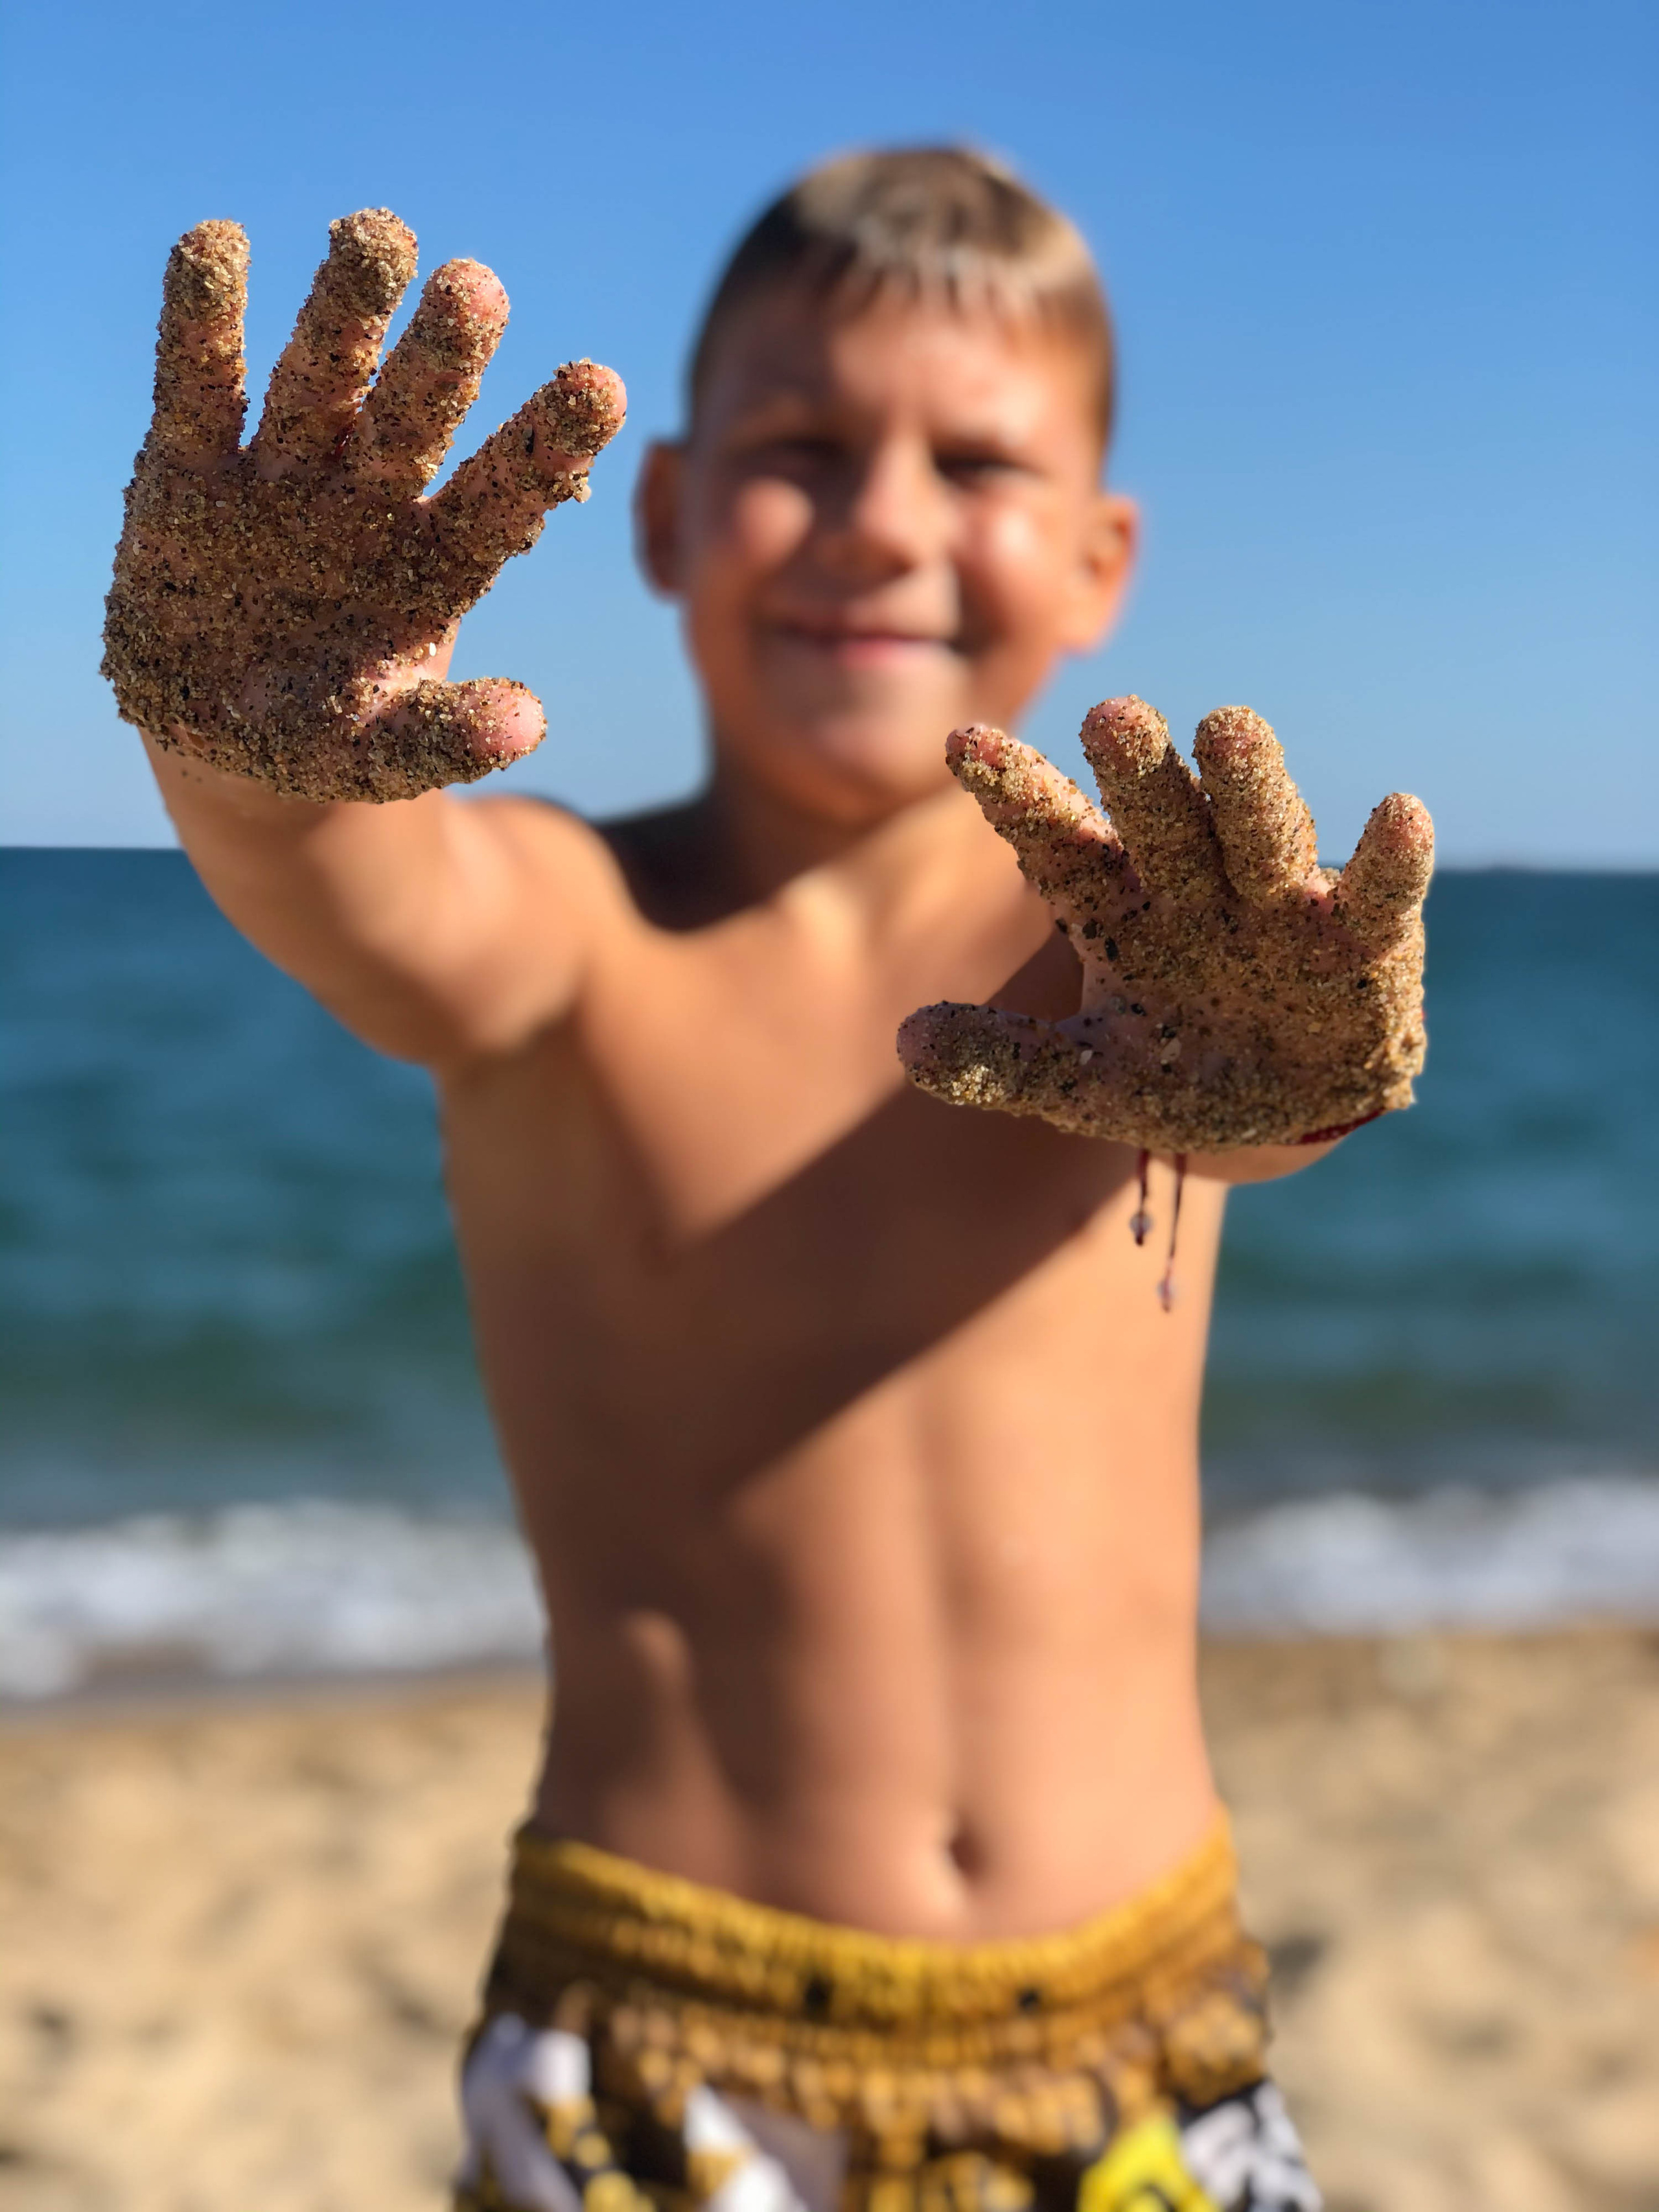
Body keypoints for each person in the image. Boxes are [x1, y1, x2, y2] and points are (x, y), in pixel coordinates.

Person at [104, 148, 1432, 2212]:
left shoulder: (1132, 984)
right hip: (657, 2062)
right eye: (805, 448)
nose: (886, 520)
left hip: (1146, 2044)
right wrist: (240, 733)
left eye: (975, 465)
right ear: (660, 510)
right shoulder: (578, 928)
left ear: (1100, 559)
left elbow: (1241, 1117)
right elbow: (357, 885)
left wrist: (1313, 1073)